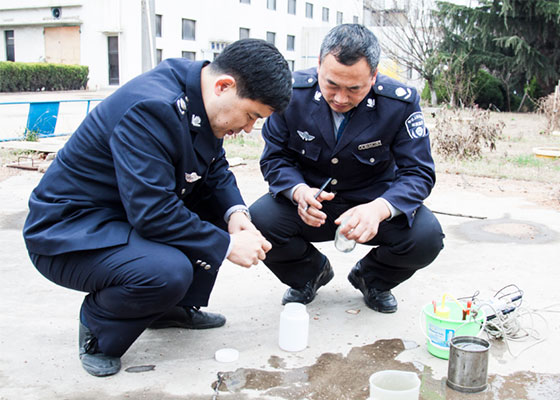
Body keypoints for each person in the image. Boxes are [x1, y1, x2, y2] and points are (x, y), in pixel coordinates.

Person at [23, 39, 292, 377]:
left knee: (212, 209)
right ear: (224, 86)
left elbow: (213, 167)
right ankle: (99, 330)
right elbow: (152, 213)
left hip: (121, 213)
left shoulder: (202, 97)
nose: (249, 128)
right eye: (251, 116)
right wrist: (227, 245)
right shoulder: (152, 108)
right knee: (166, 271)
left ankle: (172, 309)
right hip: (70, 231)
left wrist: (236, 214)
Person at [249, 24, 444, 313]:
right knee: (256, 222)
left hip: (372, 204)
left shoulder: (398, 103)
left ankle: (372, 279)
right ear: (319, 65)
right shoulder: (292, 94)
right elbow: (275, 158)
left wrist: (380, 209)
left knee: (426, 237)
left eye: (354, 89)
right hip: (312, 204)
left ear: (374, 76)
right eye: (331, 85)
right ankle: (309, 274)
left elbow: (418, 172)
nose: (340, 98)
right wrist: (298, 192)